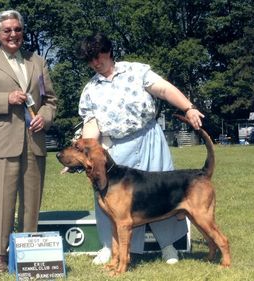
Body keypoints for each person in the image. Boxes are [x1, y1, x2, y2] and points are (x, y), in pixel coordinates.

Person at [78, 33, 204, 265]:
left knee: (161, 190)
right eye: (90, 59)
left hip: (149, 138)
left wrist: (188, 108)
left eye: (98, 56)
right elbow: (91, 124)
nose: (95, 63)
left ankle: (168, 247)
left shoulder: (136, 71)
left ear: (108, 52)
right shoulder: (90, 89)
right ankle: (110, 246)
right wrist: (86, 152)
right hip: (116, 147)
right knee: (108, 196)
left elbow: (165, 90)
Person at [0, 10, 57, 272]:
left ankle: (27, 253)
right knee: (0, 201)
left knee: (31, 203)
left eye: (17, 29)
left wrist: (44, 117)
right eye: (7, 30)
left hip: (34, 141)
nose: (13, 34)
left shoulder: (37, 62)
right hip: (1, 143)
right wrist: (6, 99)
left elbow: (50, 100)